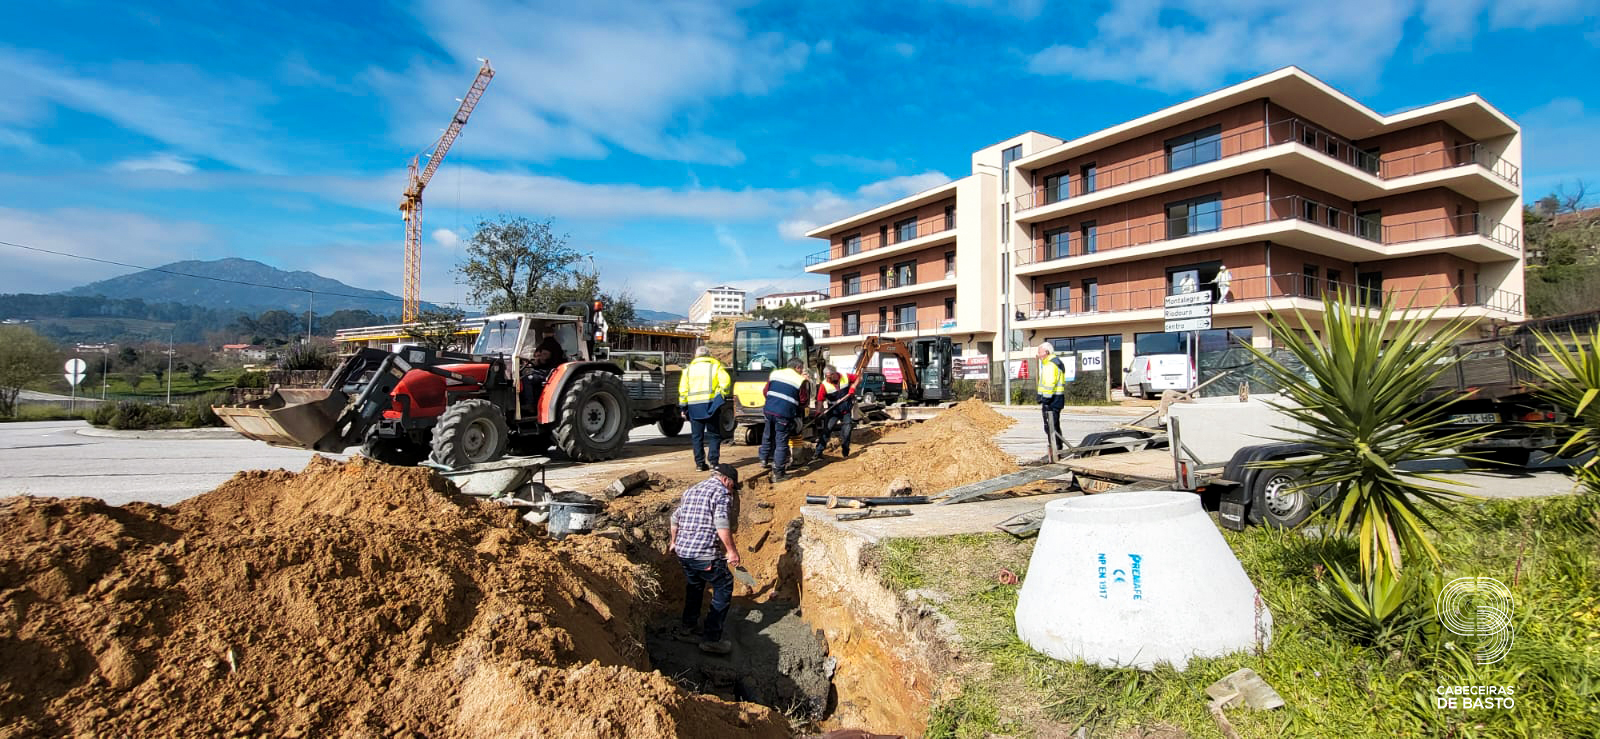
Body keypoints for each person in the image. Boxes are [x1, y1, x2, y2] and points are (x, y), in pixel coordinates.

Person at [669, 463, 741, 655]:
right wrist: (731, 551)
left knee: (695, 586)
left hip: (683, 553)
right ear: (726, 480)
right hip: (704, 554)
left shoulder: (692, 490)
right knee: (724, 585)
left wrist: (673, 542)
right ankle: (711, 638)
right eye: (733, 486)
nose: (732, 490)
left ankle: (687, 628)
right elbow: (722, 524)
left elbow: (675, 518)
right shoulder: (721, 493)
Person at [679, 346, 732, 471]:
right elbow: (725, 382)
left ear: (696, 356)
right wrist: (722, 395)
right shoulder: (715, 367)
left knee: (697, 437)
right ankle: (713, 462)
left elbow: (683, 390)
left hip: (694, 408)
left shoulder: (688, 370)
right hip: (711, 406)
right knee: (714, 435)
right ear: (708, 355)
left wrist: (683, 408)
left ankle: (699, 464)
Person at [758, 358, 811, 482]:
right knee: (781, 442)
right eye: (801, 368)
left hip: (768, 409)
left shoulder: (775, 373)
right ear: (798, 367)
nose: (802, 371)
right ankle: (779, 473)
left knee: (767, 435)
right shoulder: (800, 380)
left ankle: (763, 459)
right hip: (783, 413)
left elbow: (765, 391)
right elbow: (803, 401)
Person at [813, 363, 857, 460]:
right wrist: (818, 412)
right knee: (827, 430)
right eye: (826, 377)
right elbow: (820, 400)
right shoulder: (824, 385)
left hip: (845, 410)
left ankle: (845, 453)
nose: (827, 379)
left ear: (834, 374)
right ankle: (818, 452)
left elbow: (858, 378)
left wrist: (853, 387)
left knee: (847, 430)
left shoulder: (845, 377)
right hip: (833, 411)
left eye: (829, 377)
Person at [519, 337, 568, 414]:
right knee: (526, 375)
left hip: (549, 372)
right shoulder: (548, 345)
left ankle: (530, 404)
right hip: (544, 370)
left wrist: (536, 360)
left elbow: (544, 359)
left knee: (527, 379)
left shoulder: (549, 345)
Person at [1036, 343, 1068, 454]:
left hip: (1052, 400)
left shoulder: (1051, 364)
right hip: (1055, 399)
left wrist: (1045, 398)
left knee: (1051, 426)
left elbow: (1050, 383)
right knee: (1053, 425)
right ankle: (1056, 448)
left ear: (1046, 352)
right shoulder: (1050, 363)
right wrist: (1040, 394)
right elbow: (1044, 383)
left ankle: (1056, 450)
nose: (1038, 355)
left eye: (1039, 352)